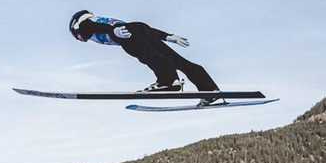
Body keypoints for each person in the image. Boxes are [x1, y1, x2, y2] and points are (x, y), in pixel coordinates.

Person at [69, 10, 221, 105]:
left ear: (75, 27)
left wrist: (113, 31)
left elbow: (91, 26)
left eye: (77, 37)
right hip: (138, 29)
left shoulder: (86, 24)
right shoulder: (96, 23)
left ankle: (168, 82)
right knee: (178, 62)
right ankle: (209, 90)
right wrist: (167, 37)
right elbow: (141, 27)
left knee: (148, 57)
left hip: (127, 34)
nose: (80, 40)